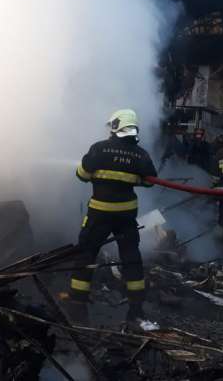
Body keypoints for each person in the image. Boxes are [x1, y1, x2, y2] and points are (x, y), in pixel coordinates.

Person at [61, 109, 158, 326]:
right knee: (131, 257)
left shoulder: (99, 149)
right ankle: (136, 309)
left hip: (99, 214)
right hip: (126, 216)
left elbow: (81, 175)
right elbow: (150, 181)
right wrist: (133, 177)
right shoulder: (141, 155)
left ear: (115, 126)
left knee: (86, 254)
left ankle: (77, 303)